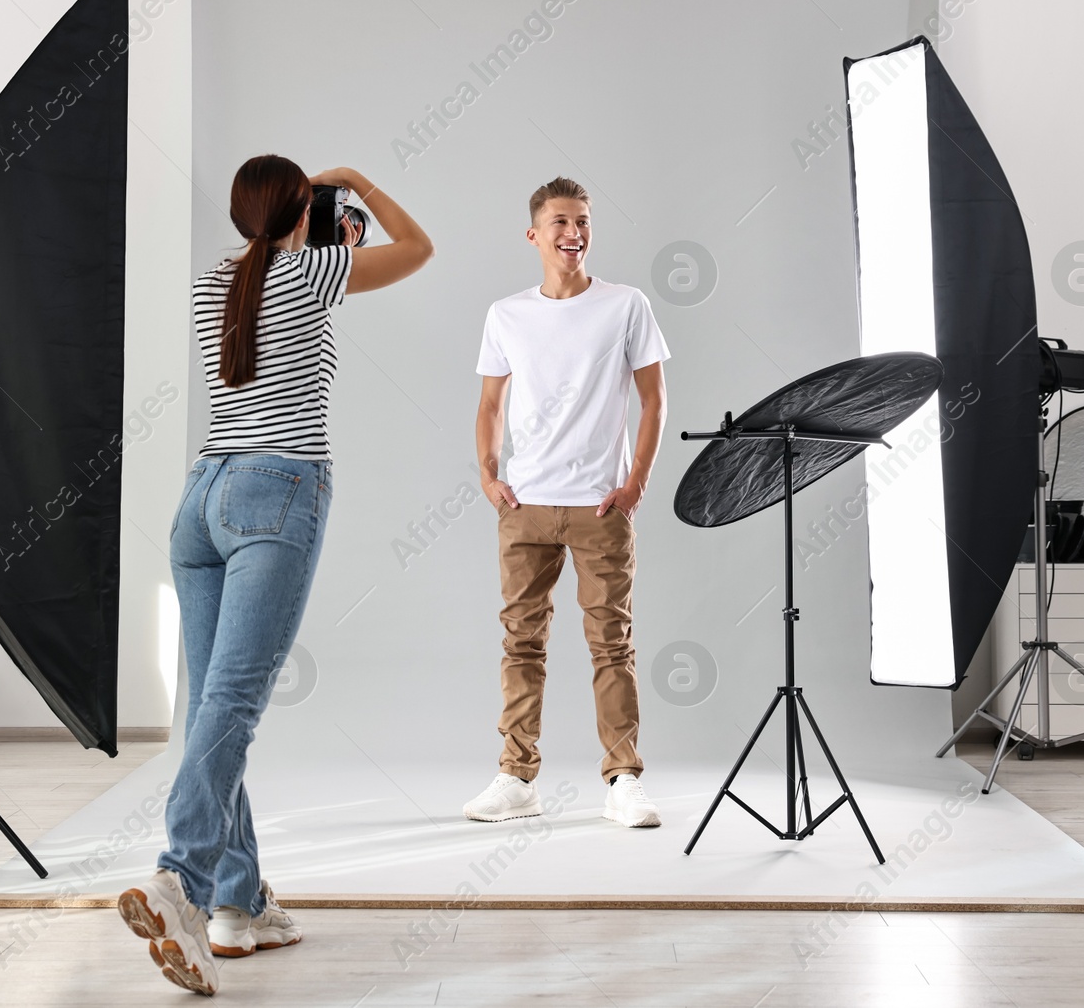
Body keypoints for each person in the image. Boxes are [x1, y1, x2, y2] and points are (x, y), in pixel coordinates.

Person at [118, 156, 432, 996]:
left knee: (213, 706)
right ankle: (178, 879)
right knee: (233, 707)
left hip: (202, 500)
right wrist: (357, 185)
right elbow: (420, 248)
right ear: (303, 214)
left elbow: (278, 279)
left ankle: (239, 903)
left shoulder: (213, 282)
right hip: (279, 490)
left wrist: (312, 230)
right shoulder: (318, 269)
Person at [466, 176, 670, 829]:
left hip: (599, 507)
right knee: (521, 643)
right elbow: (491, 403)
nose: (572, 232)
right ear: (535, 234)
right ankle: (516, 775)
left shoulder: (626, 305)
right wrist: (489, 476)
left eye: (581, 220)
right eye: (559, 221)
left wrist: (636, 481)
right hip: (524, 506)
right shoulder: (507, 314)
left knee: (612, 643)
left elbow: (653, 400)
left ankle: (623, 779)